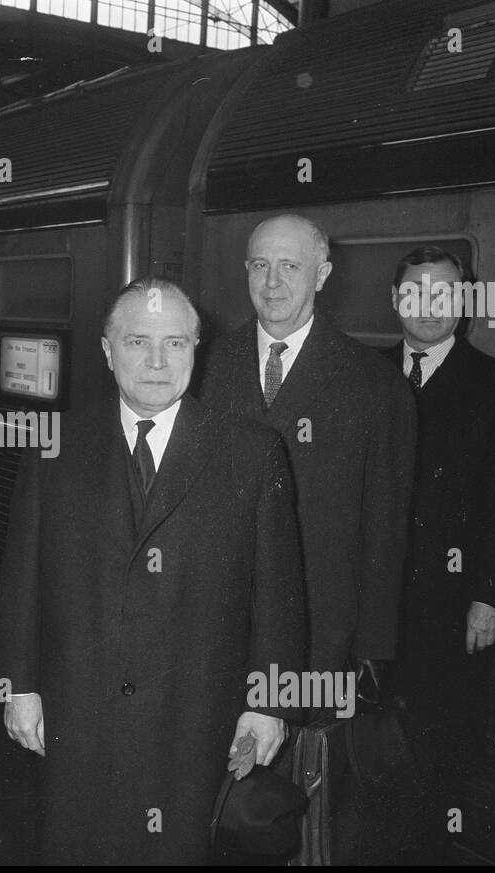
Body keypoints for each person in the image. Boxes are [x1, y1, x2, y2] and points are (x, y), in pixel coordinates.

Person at [0, 277, 305, 864]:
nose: (158, 362)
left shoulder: (251, 450)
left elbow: (279, 591)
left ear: (197, 349)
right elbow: (22, 578)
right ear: (108, 352)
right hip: (77, 708)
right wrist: (20, 685)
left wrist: (269, 703)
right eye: (138, 342)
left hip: (194, 716)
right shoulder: (53, 446)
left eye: (177, 344)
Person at [198, 214, 415, 676]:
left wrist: (372, 648)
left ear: (322, 275)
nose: (272, 283)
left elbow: (385, 525)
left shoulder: (375, 384)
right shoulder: (201, 368)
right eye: (260, 265)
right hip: (211, 619)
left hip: (319, 627)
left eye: (290, 267)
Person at [381, 246, 495, 862]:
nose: (428, 305)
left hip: (452, 604)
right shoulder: (360, 375)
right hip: (372, 600)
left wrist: (491, 595)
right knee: (364, 749)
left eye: (443, 293)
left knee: (440, 751)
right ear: (396, 301)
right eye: (415, 291)